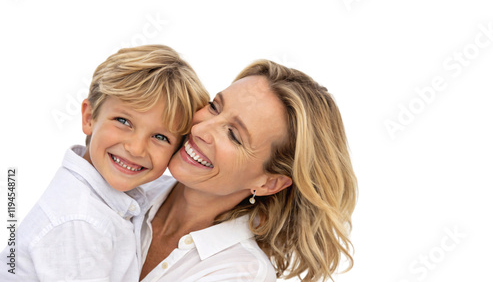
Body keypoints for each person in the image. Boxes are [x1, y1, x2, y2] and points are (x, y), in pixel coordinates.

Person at [0, 45, 209, 281]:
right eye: (123, 121)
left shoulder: (110, 201)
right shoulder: (81, 222)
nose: (136, 148)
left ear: (177, 150)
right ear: (89, 118)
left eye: (160, 137)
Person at [139, 60, 358, 282]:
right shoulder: (129, 187)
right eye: (214, 107)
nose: (199, 129)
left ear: (268, 183)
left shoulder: (242, 273)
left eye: (234, 135)